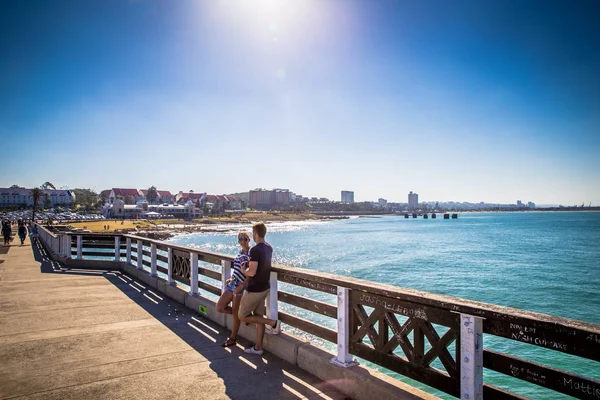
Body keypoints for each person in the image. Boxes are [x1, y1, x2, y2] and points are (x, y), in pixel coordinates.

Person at [238, 222, 280, 355]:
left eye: (253, 233)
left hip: (254, 289)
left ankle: (272, 322)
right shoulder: (269, 247)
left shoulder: (255, 250)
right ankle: (258, 348)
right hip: (264, 288)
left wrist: (244, 270)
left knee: (242, 316)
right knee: (257, 317)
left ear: (255, 233)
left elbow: (252, 272)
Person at [216, 231, 251, 347]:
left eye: (244, 239)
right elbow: (237, 269)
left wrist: (242, 285)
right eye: (240, 239)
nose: (242, 241)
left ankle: (233, 338)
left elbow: (250, 274)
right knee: (220, 307)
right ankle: (243, 316)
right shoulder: (240, 253)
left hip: (241, 286)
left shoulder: (252, 253)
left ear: (249, 240)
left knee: (236, 312)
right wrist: (231, 278)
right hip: (233, 284)